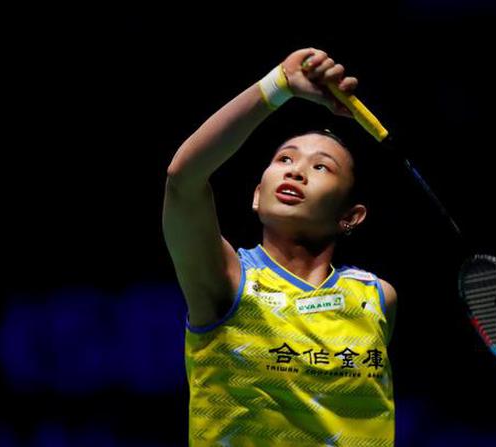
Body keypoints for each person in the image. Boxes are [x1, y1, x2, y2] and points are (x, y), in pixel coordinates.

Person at [162, 47, 398, 446]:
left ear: (350, 216)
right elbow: (182, 180)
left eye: (321, 166)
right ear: (257, 196)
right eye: (284, 159)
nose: (296, 170)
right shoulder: (227, 281)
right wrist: (277, 86)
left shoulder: (376, 298)